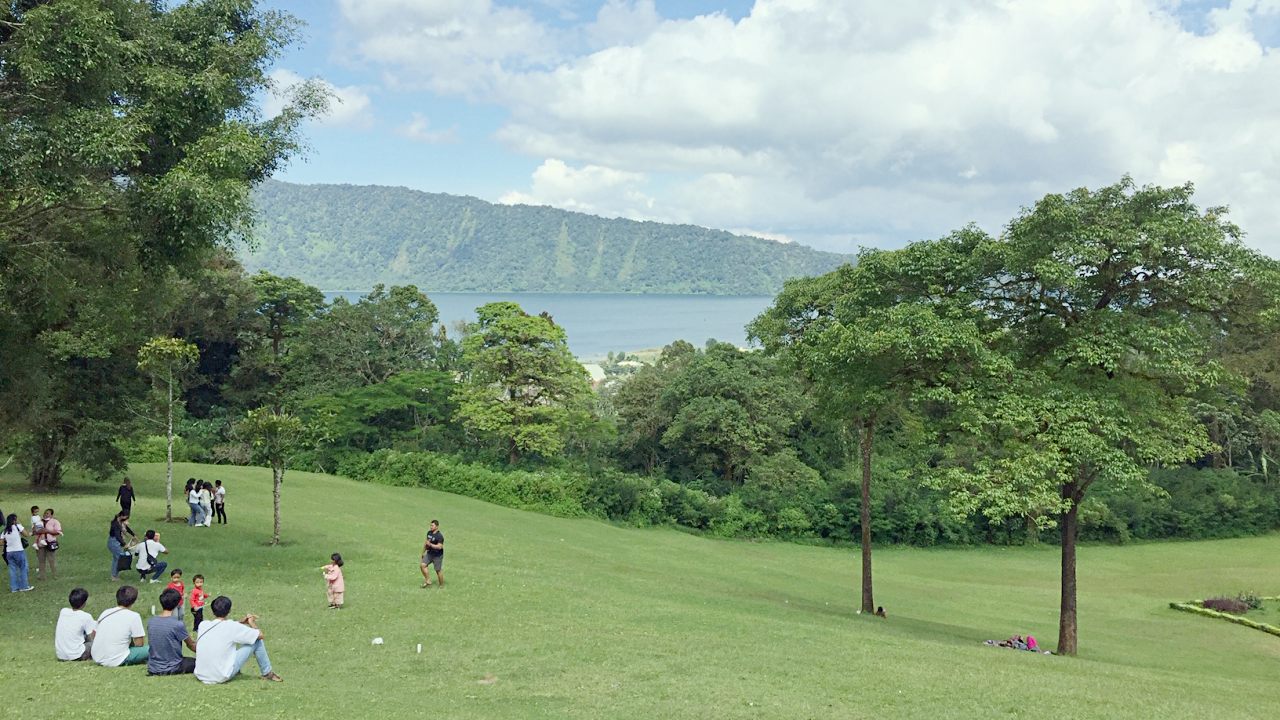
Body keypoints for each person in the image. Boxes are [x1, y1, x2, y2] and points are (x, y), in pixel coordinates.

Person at [194, 596, 283, 684]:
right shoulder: (232, 627)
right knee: (257, 641)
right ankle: (267, 673)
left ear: (213, 611)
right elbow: (260, 635)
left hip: (201, 674)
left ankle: (266, 673)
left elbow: (222, 627)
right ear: (229, 611)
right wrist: (251, 622)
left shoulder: (203, 625)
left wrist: (241, 622)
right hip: (221, 675)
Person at [91, 585, 148, 667]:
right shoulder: (134, 616)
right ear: (133, 601)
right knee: (151, 649)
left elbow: (93, 634)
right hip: (117, 659)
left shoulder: (105, 612)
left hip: (97, 656)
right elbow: (139, 643)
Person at [148, 587, 197, 675]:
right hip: (173, 666)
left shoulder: (151, 621)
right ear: (178, 603)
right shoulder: (177, 624)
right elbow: (191, 645)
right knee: (198, 662)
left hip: (153, 667)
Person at [55, 587, 97, 661]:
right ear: (84, 603)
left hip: (61, 655)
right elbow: (92, 637)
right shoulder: (86, 616)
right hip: (76, 655)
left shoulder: (63, 611)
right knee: (96, 643)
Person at [3, 513, 32, 592]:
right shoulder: (17, 527)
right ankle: (24, 586)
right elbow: (26, 534)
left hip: (9, 552)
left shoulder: (5, 531)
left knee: (12, 570)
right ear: (14, 520)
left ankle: (14, 588)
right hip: (18, 550)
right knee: (23, 568)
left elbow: (1, 542)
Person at [108, 511, 136, 581]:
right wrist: (124, 544)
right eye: (125, 518)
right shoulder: (115, 524)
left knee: (116, 559)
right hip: (114, 542)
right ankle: (114, 576)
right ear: (120, 516)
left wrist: (133, 535)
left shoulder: (120, 522)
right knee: (120, 558)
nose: (126, 520)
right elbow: (117, 535)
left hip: (117, 542)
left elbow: (127, 528)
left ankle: (114, 575)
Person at [36, 507, 61, 580]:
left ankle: (55, 575)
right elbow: (36, 531)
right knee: (41, 560)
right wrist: (39, 530)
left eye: (47, 513)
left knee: (51, 560)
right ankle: (42, 576)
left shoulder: (55, 521)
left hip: (50, 543)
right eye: (45, 513)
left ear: (51, 515)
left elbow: (58, 532)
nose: (45, 515)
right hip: (41, 543)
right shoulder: (40, 521)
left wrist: (48, 531)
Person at [420, 519, 444, 588]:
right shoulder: (429, 533)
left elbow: (440, 547)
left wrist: (431, 545)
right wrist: (423, 552)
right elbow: (426, 543)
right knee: (422, 565)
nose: (431, 527)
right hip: (429, 553)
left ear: (437, 526)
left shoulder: (440, 536)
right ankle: (428, 580)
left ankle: (441, 585)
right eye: (430, 525)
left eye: (432, 525)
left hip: (437, 555)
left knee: (438, 570)